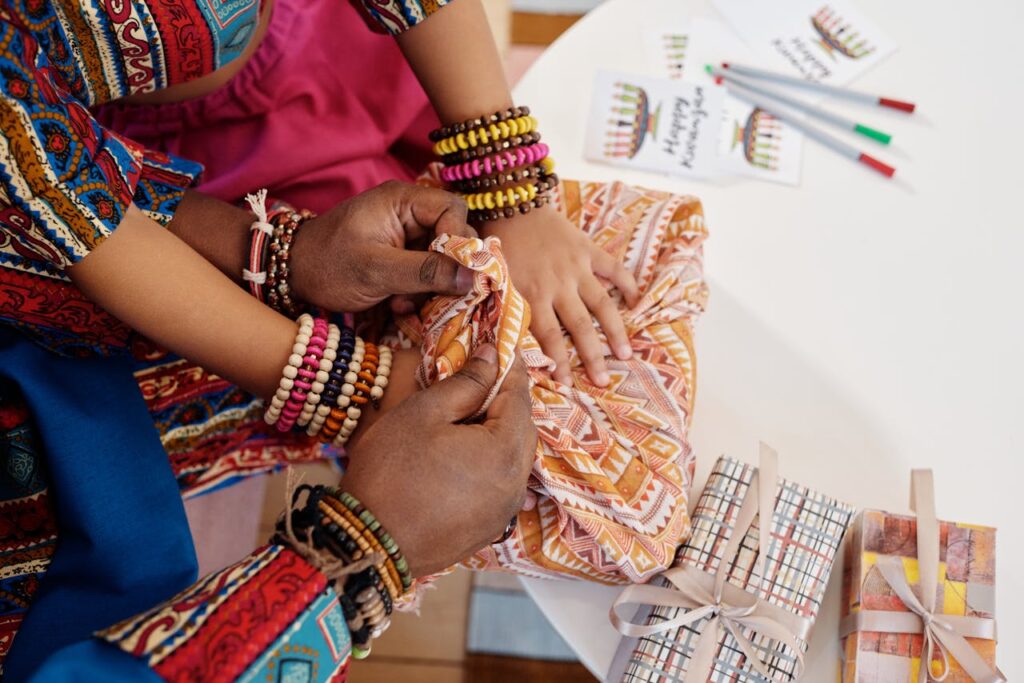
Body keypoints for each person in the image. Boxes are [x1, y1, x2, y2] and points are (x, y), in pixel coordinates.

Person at [0, 0, 707, 678]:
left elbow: (64, 179)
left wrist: (505, 182)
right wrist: (357, 542)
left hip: (218, 150)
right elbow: (52, 190)